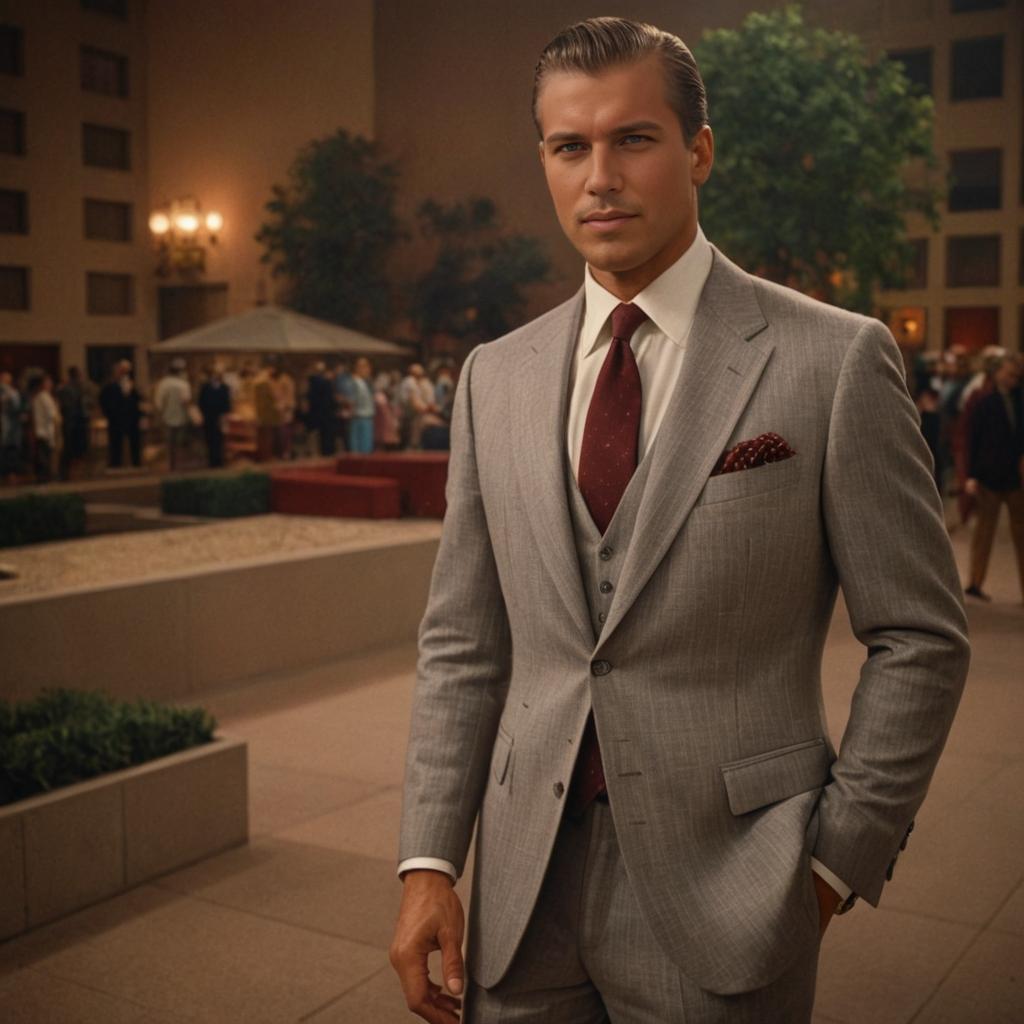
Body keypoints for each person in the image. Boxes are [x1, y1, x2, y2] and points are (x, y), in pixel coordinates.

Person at [390, 18, 970, 1024]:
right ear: (544, 161)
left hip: (736, 889)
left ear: (697, 151)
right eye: (569, 147)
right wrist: (429, 859)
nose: (599, 176)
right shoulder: (496, 375)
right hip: (521, 895)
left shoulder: (832, 361)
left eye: (634, 139)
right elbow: (462, 642)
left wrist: (836, 859)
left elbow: (919, 634)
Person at [964, 353, 1024, 602]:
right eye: (1009, 374)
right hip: (989, 476)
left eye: (1016, 375)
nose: (1013, 379)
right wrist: (971, 474)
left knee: (1021, 533)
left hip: (1015, 476)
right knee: (984, 532)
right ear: (998, 372)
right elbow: (973, 440)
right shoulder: (984, 402)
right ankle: (975, 582)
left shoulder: (1020, 400)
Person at [99, 360, 142, 468]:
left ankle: (136, 462)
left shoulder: (131, 384)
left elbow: (136, 399)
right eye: (121, 371)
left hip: (131, 417)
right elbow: (104, 400)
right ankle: (115, 463)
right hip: (115, 418)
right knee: (115, 442)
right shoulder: (109, 386)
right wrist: (109, 413)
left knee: (134, 441)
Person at [153, 358, 192, 471]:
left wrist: (160, 413)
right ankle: (178, 464)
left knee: (170, 442)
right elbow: (187, 400)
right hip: (181, 416)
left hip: (167, 417)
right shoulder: (183, 384)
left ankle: (171, 464)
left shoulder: (163, 383)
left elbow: (158, 402)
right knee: (179, 442)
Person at [55, 366, 90, 481]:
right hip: (72, 423)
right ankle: (66, 474)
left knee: (76, 449)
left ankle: (74, 473)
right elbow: (68, 408)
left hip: (78, 423)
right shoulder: (67, 389)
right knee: (70, 449)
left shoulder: (79, 388)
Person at [198, 365, 232, 468]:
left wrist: (225, 414)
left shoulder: (224, 387)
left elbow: (227, 404)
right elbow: (201, 403)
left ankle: (219, 460)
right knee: (211, 439)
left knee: (220, 439)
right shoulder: (205, 387)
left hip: (219, 417)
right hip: (210, 417)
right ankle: (213, 460)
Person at [30, 374, 60, 483]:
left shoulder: (40, 396)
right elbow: (52, 415)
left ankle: (44, 476)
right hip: (45, 431)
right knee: (45, 457)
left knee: (44, 456)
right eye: (48, 382)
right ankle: (45, 478)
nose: (50, 384)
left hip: (42, 431)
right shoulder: (44, 396)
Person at [306, 362, 338, 456]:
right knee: (327, 435)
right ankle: (327, 451)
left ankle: (318, 451)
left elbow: (310, 397)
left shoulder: (311, 382)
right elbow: (329, 399)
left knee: (317, 433)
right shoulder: (325, 383)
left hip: (316, 412)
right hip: (326, 412)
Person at [347, 356, 376, 453]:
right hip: (359, 417)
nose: (367, 369)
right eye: (364, 367)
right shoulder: (354, 382)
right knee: (360, 450)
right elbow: (351, 400)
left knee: (366, 448)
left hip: (367, 417)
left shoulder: (366, 382)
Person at [1, 371, 24, 482]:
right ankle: (8, 472)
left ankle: (12, 472)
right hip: (5, 422)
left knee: (13, 448)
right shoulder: (4, 391)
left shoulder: (12, 391)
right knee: (7, 448)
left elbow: (18, 406)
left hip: (14, 423)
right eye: (6, 378)